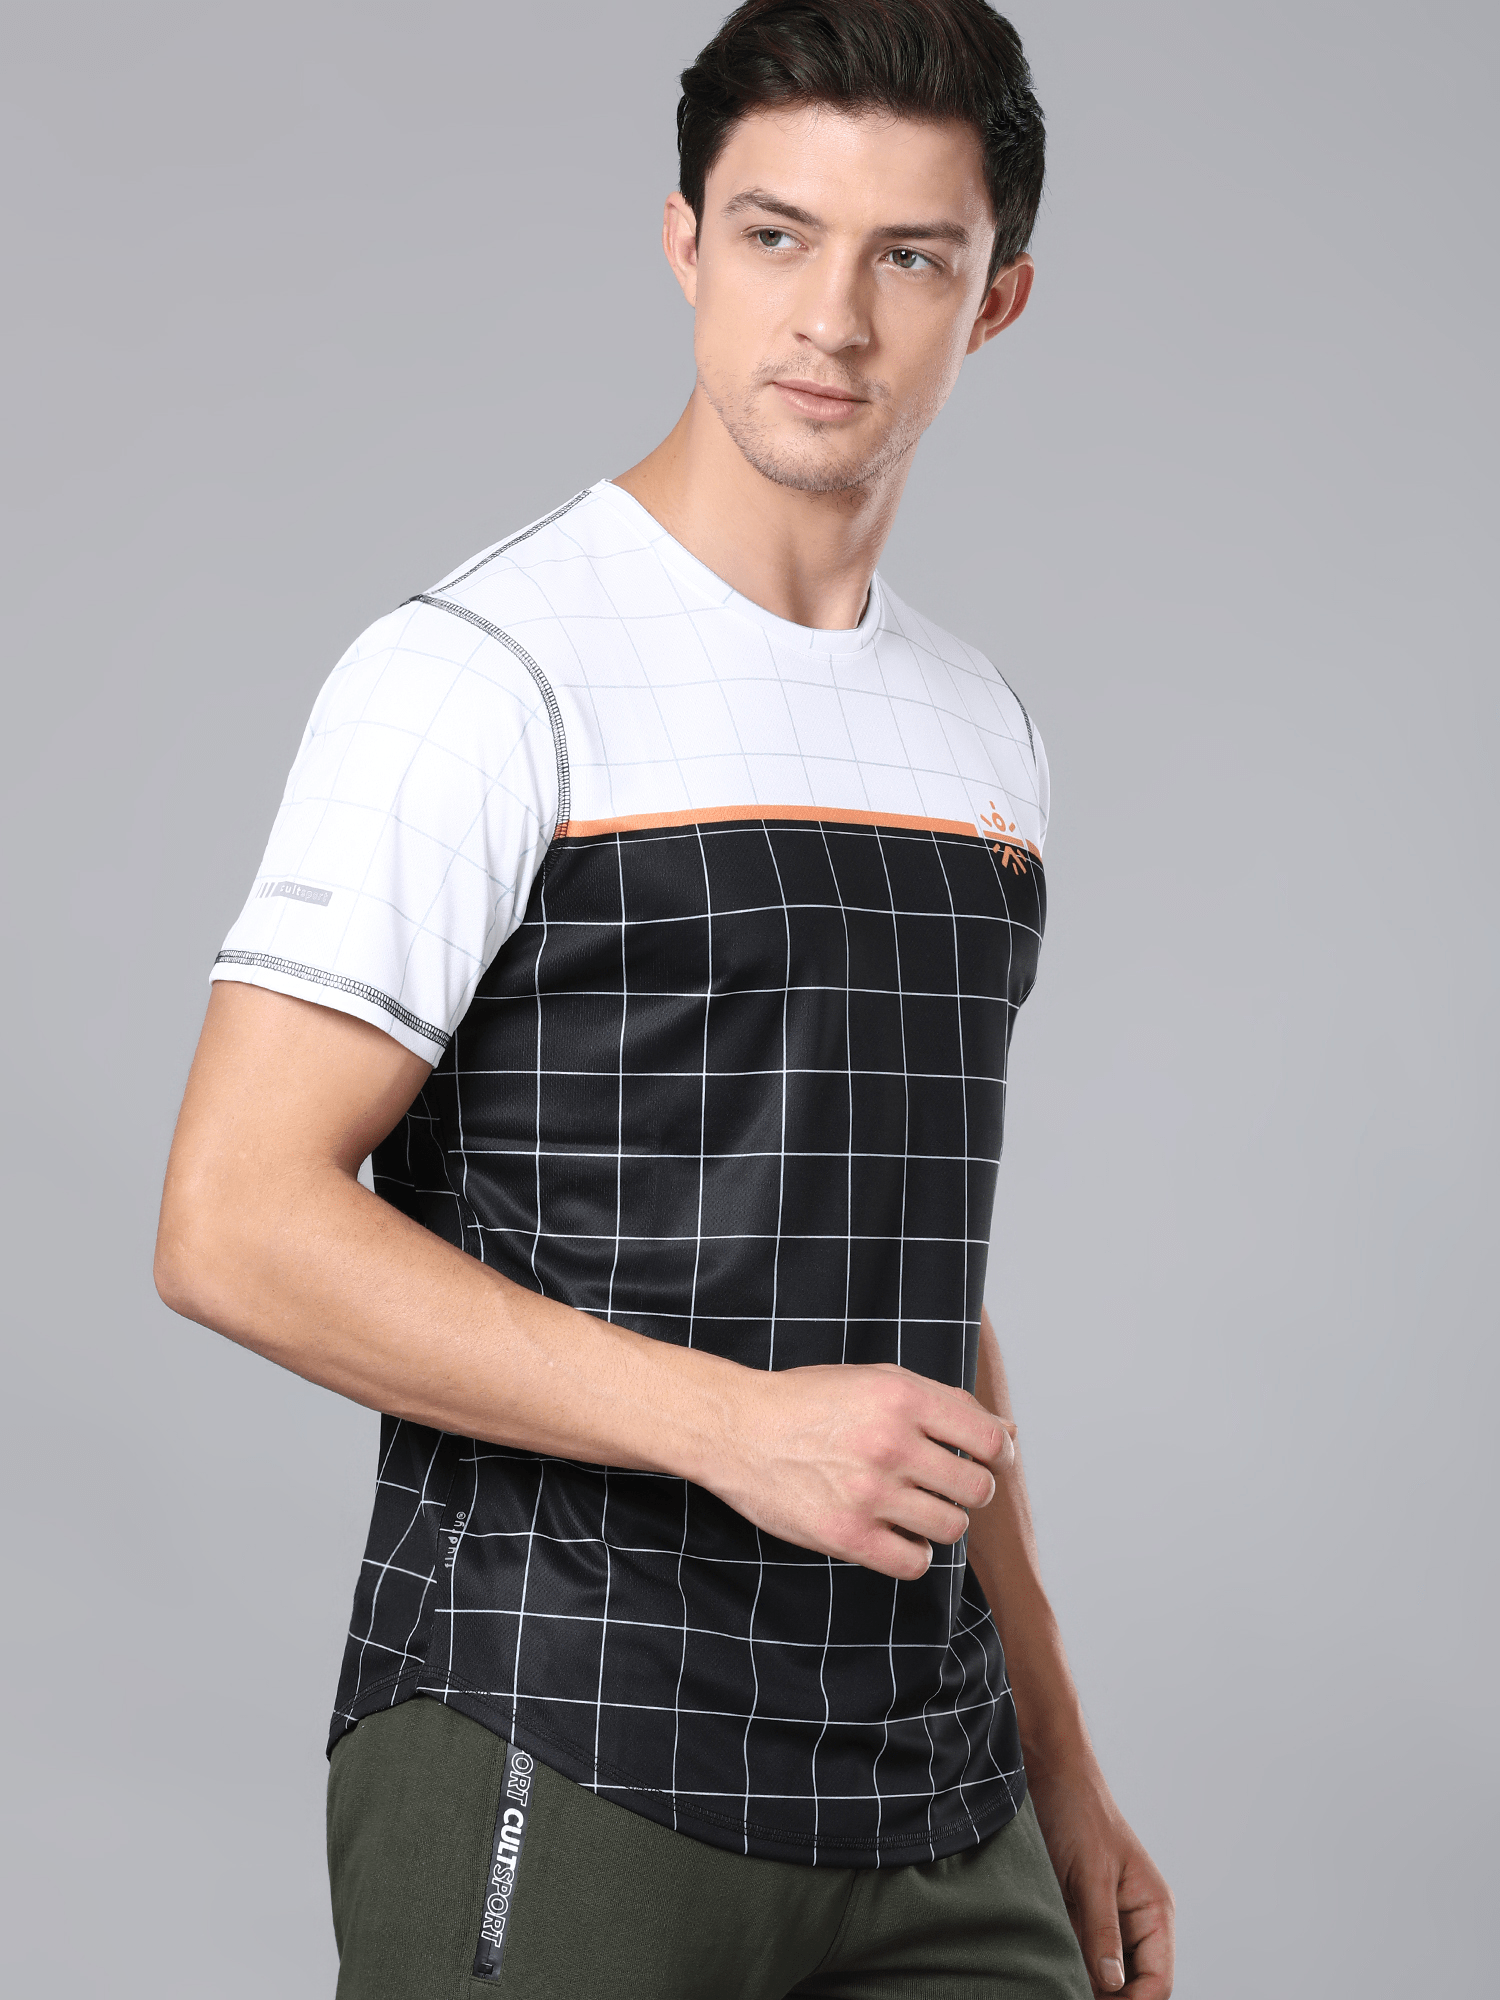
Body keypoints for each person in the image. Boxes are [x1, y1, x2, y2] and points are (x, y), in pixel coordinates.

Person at [155, 2, 1175, 1994]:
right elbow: (232, 1221)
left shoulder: (981, 731)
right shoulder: (482, 675)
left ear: (998, 300)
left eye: (910, 257)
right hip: (562, 1729)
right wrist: (735, 1429)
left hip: (934, 1789)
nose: (834, 319)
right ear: (687, 245)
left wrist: (1060, 1754)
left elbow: (909, 1266)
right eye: (778, 235)